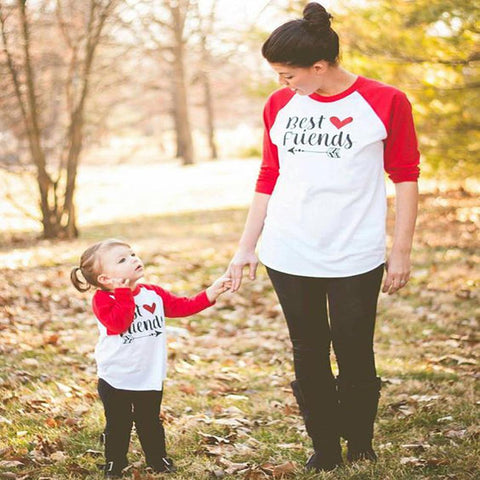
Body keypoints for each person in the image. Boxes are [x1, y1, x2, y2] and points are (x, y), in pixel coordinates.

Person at [227, 2, 420, 473]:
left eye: (287, 74)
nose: (280, 83)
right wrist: (245, 247)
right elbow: (269, 174)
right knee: (307, 351)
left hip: (355, 252)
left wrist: (399, 251)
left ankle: (359, 442)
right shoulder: (279, 105)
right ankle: (325, 446)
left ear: (320, 67)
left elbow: (406, 176)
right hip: (289, 251)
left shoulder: (385, 101)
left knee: (355, 350)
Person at [71, 239, 231, 478]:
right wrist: (123, 292)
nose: (134, 259)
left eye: (132, 254)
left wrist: (211, 292)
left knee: (150, 421)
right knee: (118, 423)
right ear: (104, 279)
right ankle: (115, 463)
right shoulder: (104, 300)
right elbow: (118, 323)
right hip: (116, 376)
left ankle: (158, 460)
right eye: (123, 259)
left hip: (148, 374)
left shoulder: (153, 294)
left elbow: (182, 307)